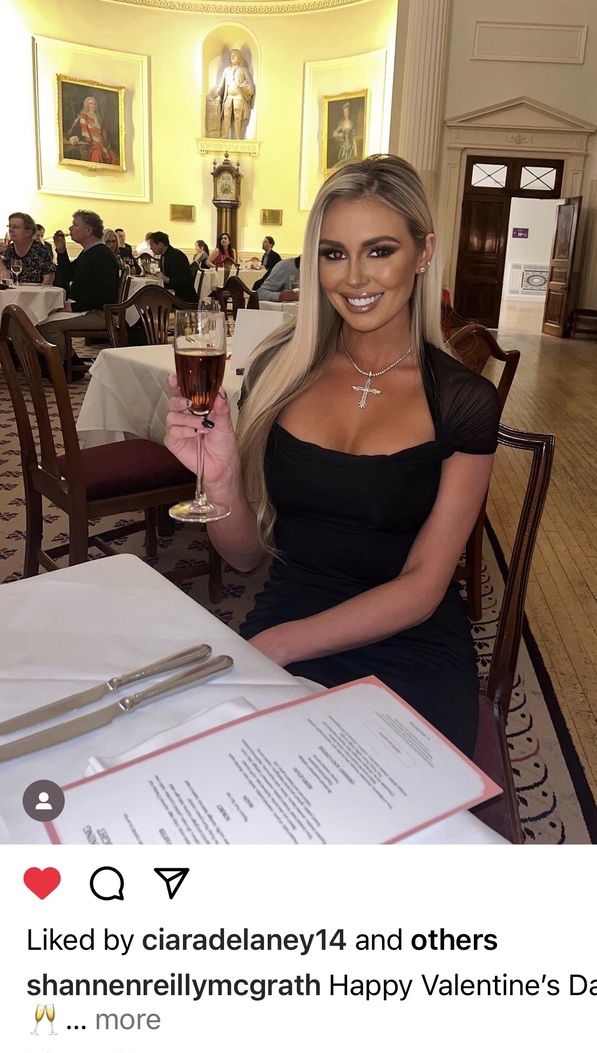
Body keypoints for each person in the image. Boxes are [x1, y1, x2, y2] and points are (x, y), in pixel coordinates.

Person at [164, 155, 500, 755]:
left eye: (380, 251)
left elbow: (424, 585)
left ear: (423, 254)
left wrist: (282, 645)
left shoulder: (463, 400)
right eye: (334, 253)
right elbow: (244, 556)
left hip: (411, 642)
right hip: (288, 610)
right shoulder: (279, 371)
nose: (354, 278)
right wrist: (220, 479)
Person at [37, 210, 119, 374]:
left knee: (47, 326)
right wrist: (61, 250)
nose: (70, 228)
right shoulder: (89, 251)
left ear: (88, 230)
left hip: (101, 314)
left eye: (75, 225)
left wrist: (74, 307)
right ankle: (68, 363)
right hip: (88, 309)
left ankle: (70, 366)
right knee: (39, 319)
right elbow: (69, 274)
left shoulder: (102, 255)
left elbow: (105, 295)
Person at [0, 212, 55, 285]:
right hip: (12, 291)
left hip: (36, 291)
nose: (11, 230)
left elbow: (49, 278)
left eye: (15, 227)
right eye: (9, 226)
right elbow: (5, 278)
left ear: (29, 232)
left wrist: (40, 291)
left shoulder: (40, 250)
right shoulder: (7, 251)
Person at [212, 49, 255, 141]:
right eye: (231, 55)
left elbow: (250, 83)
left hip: (239, 96)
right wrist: (217, 92)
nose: (232, 57)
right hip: (229, 96)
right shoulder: (226, 70)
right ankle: (225, 134)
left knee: (237, 116)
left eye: (235, 55)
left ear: (239, 57)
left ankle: (237, 136)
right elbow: (222, 84)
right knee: (226, 115)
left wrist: (245, 86)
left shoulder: (243, 70)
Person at [65, 95, 118, 165]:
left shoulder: (99, 118)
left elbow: (103, 132)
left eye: (94, 104)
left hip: (102, 144)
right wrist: (74, 138)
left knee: (114, 157)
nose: (93, 106)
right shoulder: (84, 116)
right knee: (97, 153)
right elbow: (78, 129)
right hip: (91, 144)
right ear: (87, 105)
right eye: (91, 104)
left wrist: (105, 143)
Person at [148, 231, 197, 303]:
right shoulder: (164, 255)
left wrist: (166, 279)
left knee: (150, 300)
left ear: (160, 245)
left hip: (182, 297)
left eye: (152, 245)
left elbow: (185, 280)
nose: (150, 248)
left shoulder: (177, 256)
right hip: (171, 294)